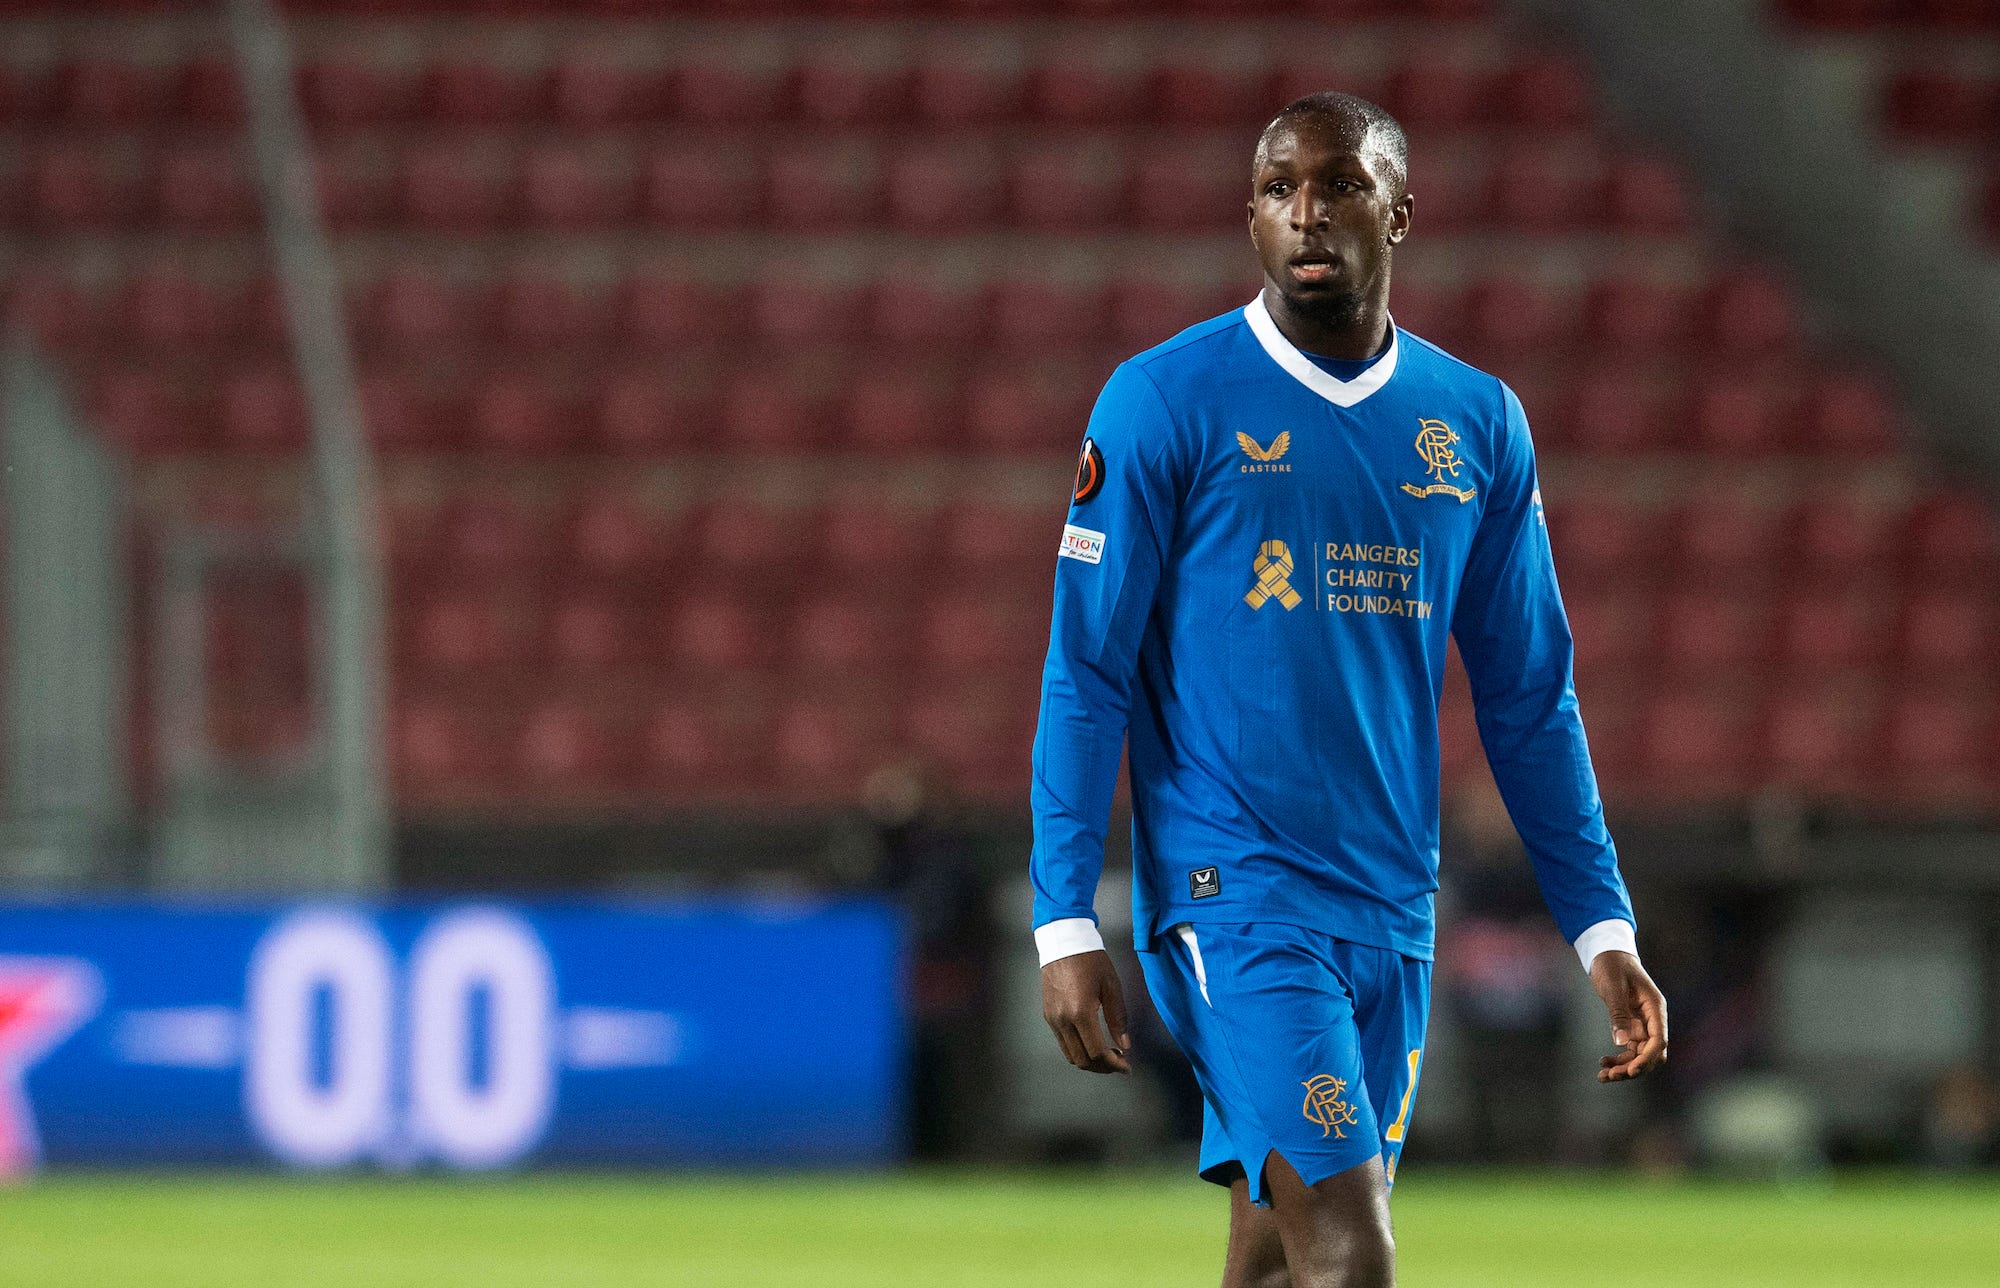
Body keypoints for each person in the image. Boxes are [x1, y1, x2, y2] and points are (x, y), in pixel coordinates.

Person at [1028, 92, 1668, 1288]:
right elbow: (1085, 669)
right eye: (1277, 190)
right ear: (1250, 217)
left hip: (1389, 907)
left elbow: (1530, 697)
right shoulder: (1164, 400)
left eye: (1339, 187)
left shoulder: (1474, 423)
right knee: (1349, 1255)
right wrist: (1063, 915)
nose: (1306, 214)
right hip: (1236, 900)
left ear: (1401, 213)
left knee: (1275, 1262)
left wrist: (1600, 923)